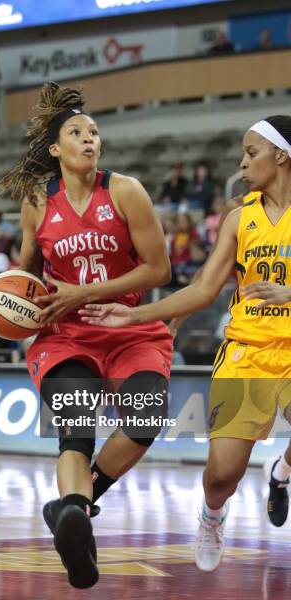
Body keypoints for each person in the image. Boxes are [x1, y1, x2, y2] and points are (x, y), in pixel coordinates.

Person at [0, 82, 173, 589]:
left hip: (127, 326)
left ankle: (74, 507)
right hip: (66, 336)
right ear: (55, 149)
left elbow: (159, 269)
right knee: (76, 429)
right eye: (77, 133)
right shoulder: (38, 202)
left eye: (95, 132)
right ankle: (76, 516)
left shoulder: (124, 190)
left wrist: (83, 291)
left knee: (147, 416)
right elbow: (26, 275)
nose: (90, 139)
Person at [80, 115, 291, 571]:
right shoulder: (240, 218)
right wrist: (135, 314)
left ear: (281, 155)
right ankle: (212, 516)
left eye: (251, 153)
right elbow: (203, 287)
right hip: (246, 353)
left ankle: (283, 469)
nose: (242, 162)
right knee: (222, 476)